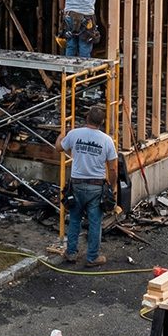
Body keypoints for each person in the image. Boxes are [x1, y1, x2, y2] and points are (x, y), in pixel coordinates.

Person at [55, 106, 119, 267]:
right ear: (102, 122)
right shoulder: (106, 140)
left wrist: (61, 134)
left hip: (76, 184)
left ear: (87, 118)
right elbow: (113, 168)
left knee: (75, 219)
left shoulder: (74, 134)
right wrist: (112, 187)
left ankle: (71, 253)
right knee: (95, 223)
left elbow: (59, 147)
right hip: (96, 187)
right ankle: (92, 257)